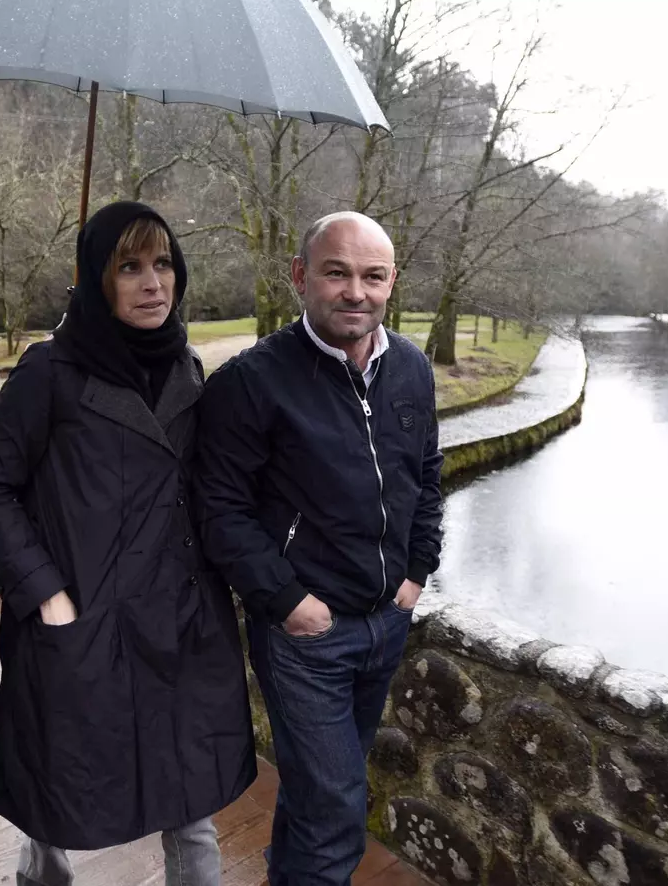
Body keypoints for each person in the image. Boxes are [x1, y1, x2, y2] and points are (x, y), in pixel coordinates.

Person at [0, 201, 256, 886]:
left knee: (191, 796)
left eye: (163, 264)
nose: (153, 283)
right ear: (96, 278)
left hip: (179, 621)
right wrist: (46, 595)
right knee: (56, 785)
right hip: (84, 617)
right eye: (129, 267)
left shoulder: (186, 366)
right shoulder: (49, 371)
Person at [195, 211, 445, 886]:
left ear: (392, 281)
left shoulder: (412, 367)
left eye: (373, 276)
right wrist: (288, 602)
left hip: (386, 622)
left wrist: (417, 571)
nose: (355, 292)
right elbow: (219, 510)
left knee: (317, 794)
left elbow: (426, 475)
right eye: (337, 273)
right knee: (336, 810)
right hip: (307, 639)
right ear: (300, 276)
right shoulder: (252, 382)